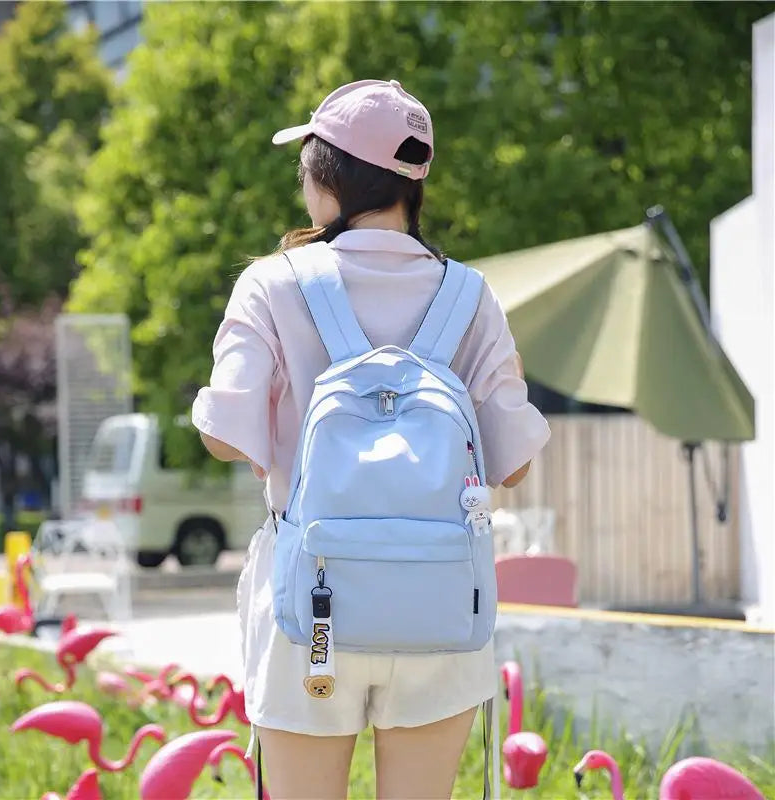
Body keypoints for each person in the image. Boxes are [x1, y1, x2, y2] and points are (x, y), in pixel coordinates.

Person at [192, 79, 550, 800]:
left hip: (309, 606)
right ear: (413, 184)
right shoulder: (470, 295)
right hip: (439, 604)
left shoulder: (270, 284)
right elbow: (514, 465)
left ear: (327, 179)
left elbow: (226, 438)